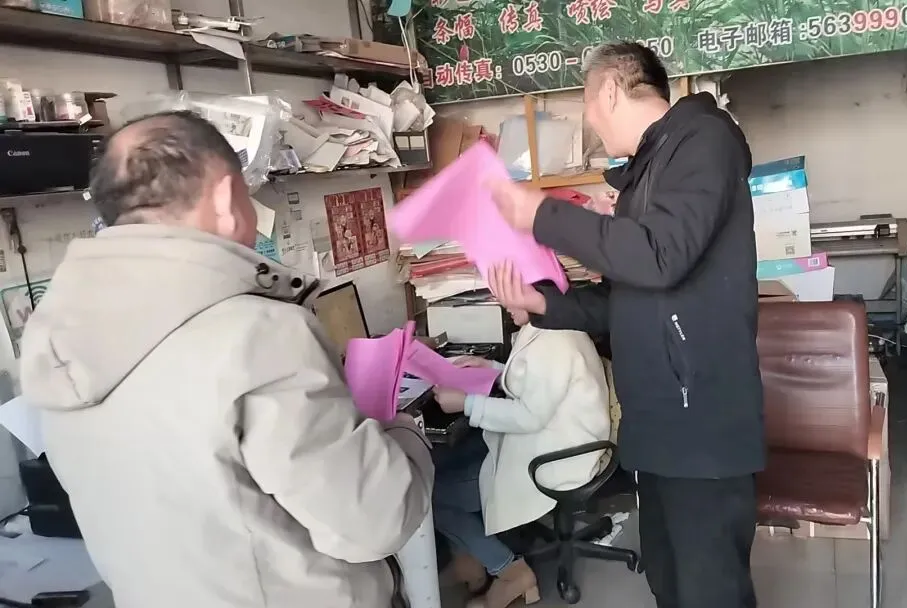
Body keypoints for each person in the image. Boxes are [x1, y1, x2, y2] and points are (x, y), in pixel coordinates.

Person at [18, 111, 434, 608]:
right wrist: (404, 434)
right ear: (225, 197)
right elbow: (373, 522)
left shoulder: (56, 336)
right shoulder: (260, 334)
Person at [485, 41, 764, 608]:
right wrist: (543, 305)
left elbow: (660, 256)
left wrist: (542, 214)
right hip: (660, 424)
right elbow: (626, 301)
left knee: (710, 589)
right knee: (668, 577)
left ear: (611, 90)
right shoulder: (646, 173)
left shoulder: (704, 140)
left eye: (588, 104)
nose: (589, 121)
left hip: (703, 424)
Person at [430, 304, 611, 608]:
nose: (504, 305)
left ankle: (510, 572)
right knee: (448, 461)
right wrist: (491, 369)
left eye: (507, 295)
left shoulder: (554, 340)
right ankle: (472, 560)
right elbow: (538, 381)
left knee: (428, 494)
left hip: (554, 458)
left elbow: (528, 415)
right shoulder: (553, 324)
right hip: (555, 438)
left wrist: (467, 403)